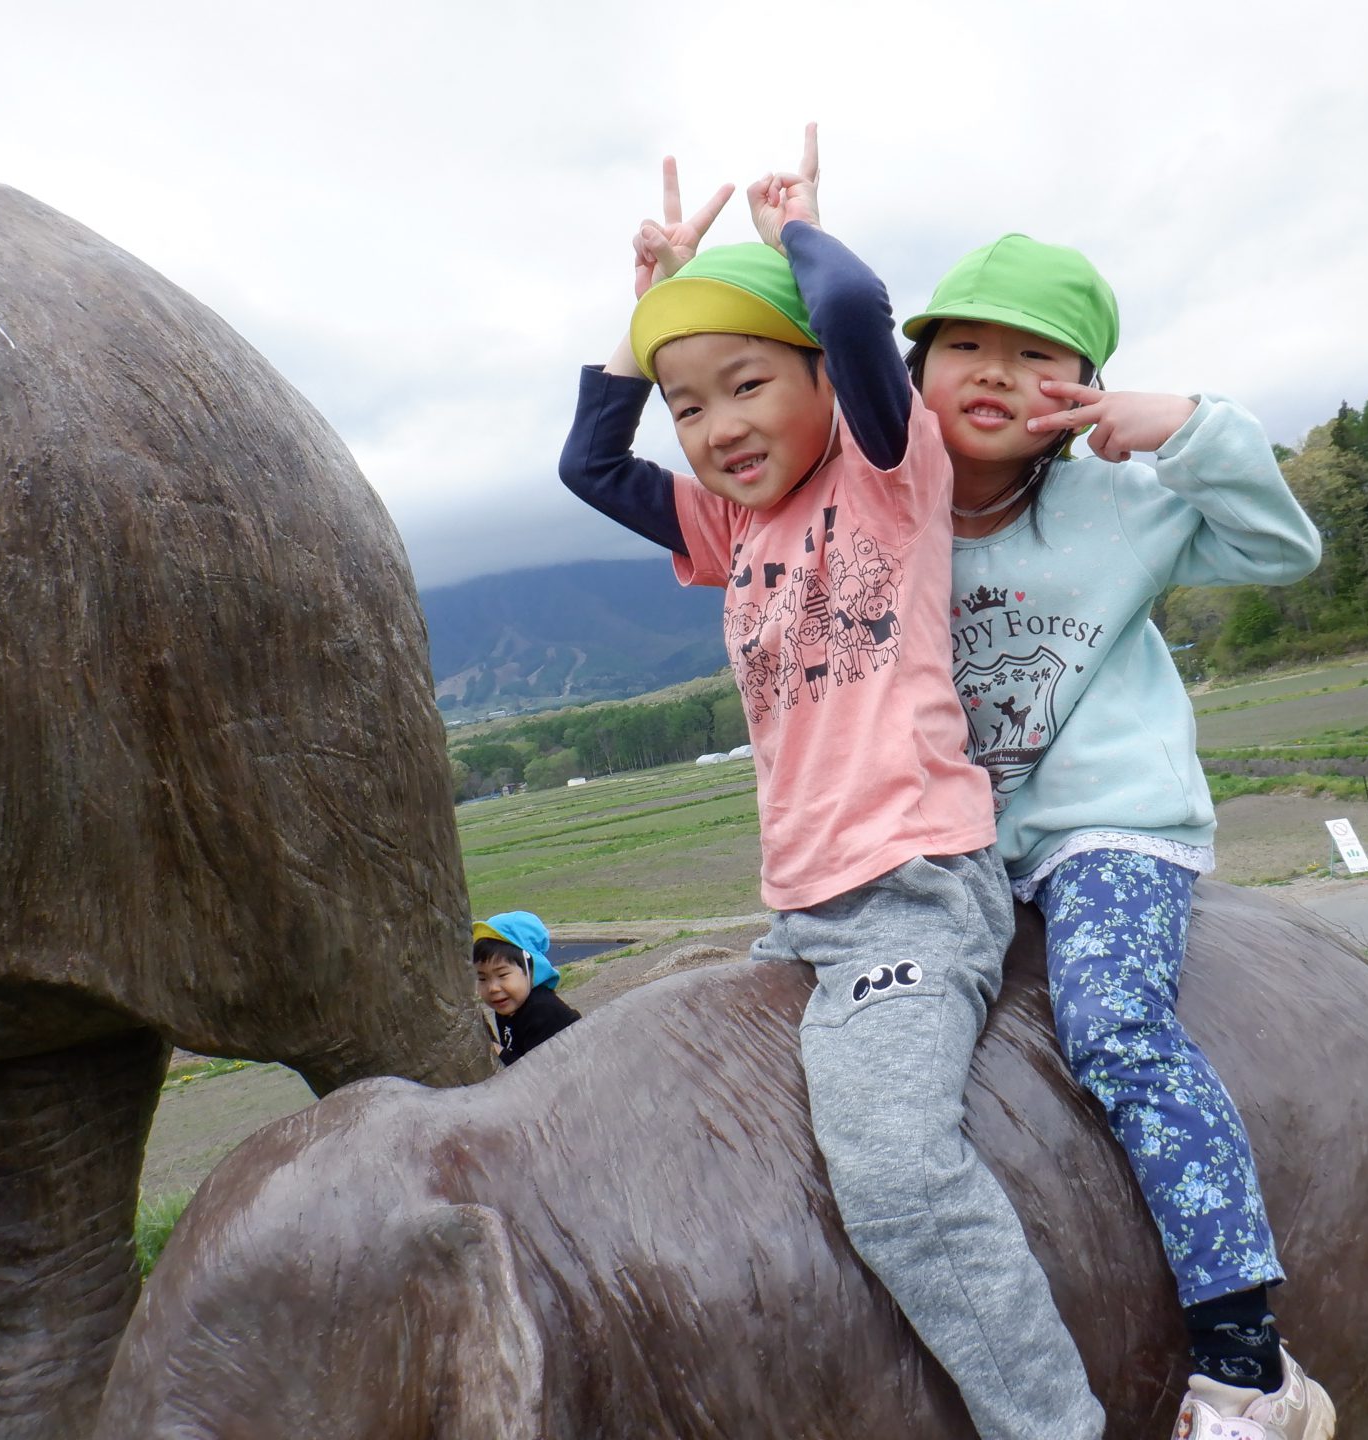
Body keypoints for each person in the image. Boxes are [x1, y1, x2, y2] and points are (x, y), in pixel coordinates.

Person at [558, 132, 1103, 1440]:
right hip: (806, 909)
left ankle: (1053, 1427)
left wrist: (797, 229)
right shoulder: (732, 525)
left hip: (913, 888)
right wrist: (650, 308)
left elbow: (857, 312)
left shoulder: (887, 470)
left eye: (748, 384)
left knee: (899, 1178)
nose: (718, 428)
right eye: (690, 409)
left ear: (823, 380)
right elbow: (589, 465)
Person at [905, 235, 1334, 1440]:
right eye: (964, 345)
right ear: (914, 373)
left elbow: (1282, 549)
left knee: (1112, 1023)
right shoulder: (886, 515)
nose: (996, 371)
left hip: (1111, 823)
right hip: (967, 838)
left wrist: (1191, 427)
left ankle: (1249, 1361)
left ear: (1084, 390)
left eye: (1036, 355)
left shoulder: (1121, 503)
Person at [473, 911, 580, 1066]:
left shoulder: (543, 1011)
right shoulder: (507, 1006)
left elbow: (539, 1072)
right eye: (482, 978)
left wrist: (497, 1052)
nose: (493, 988)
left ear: (531, 968)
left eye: (502, 975)